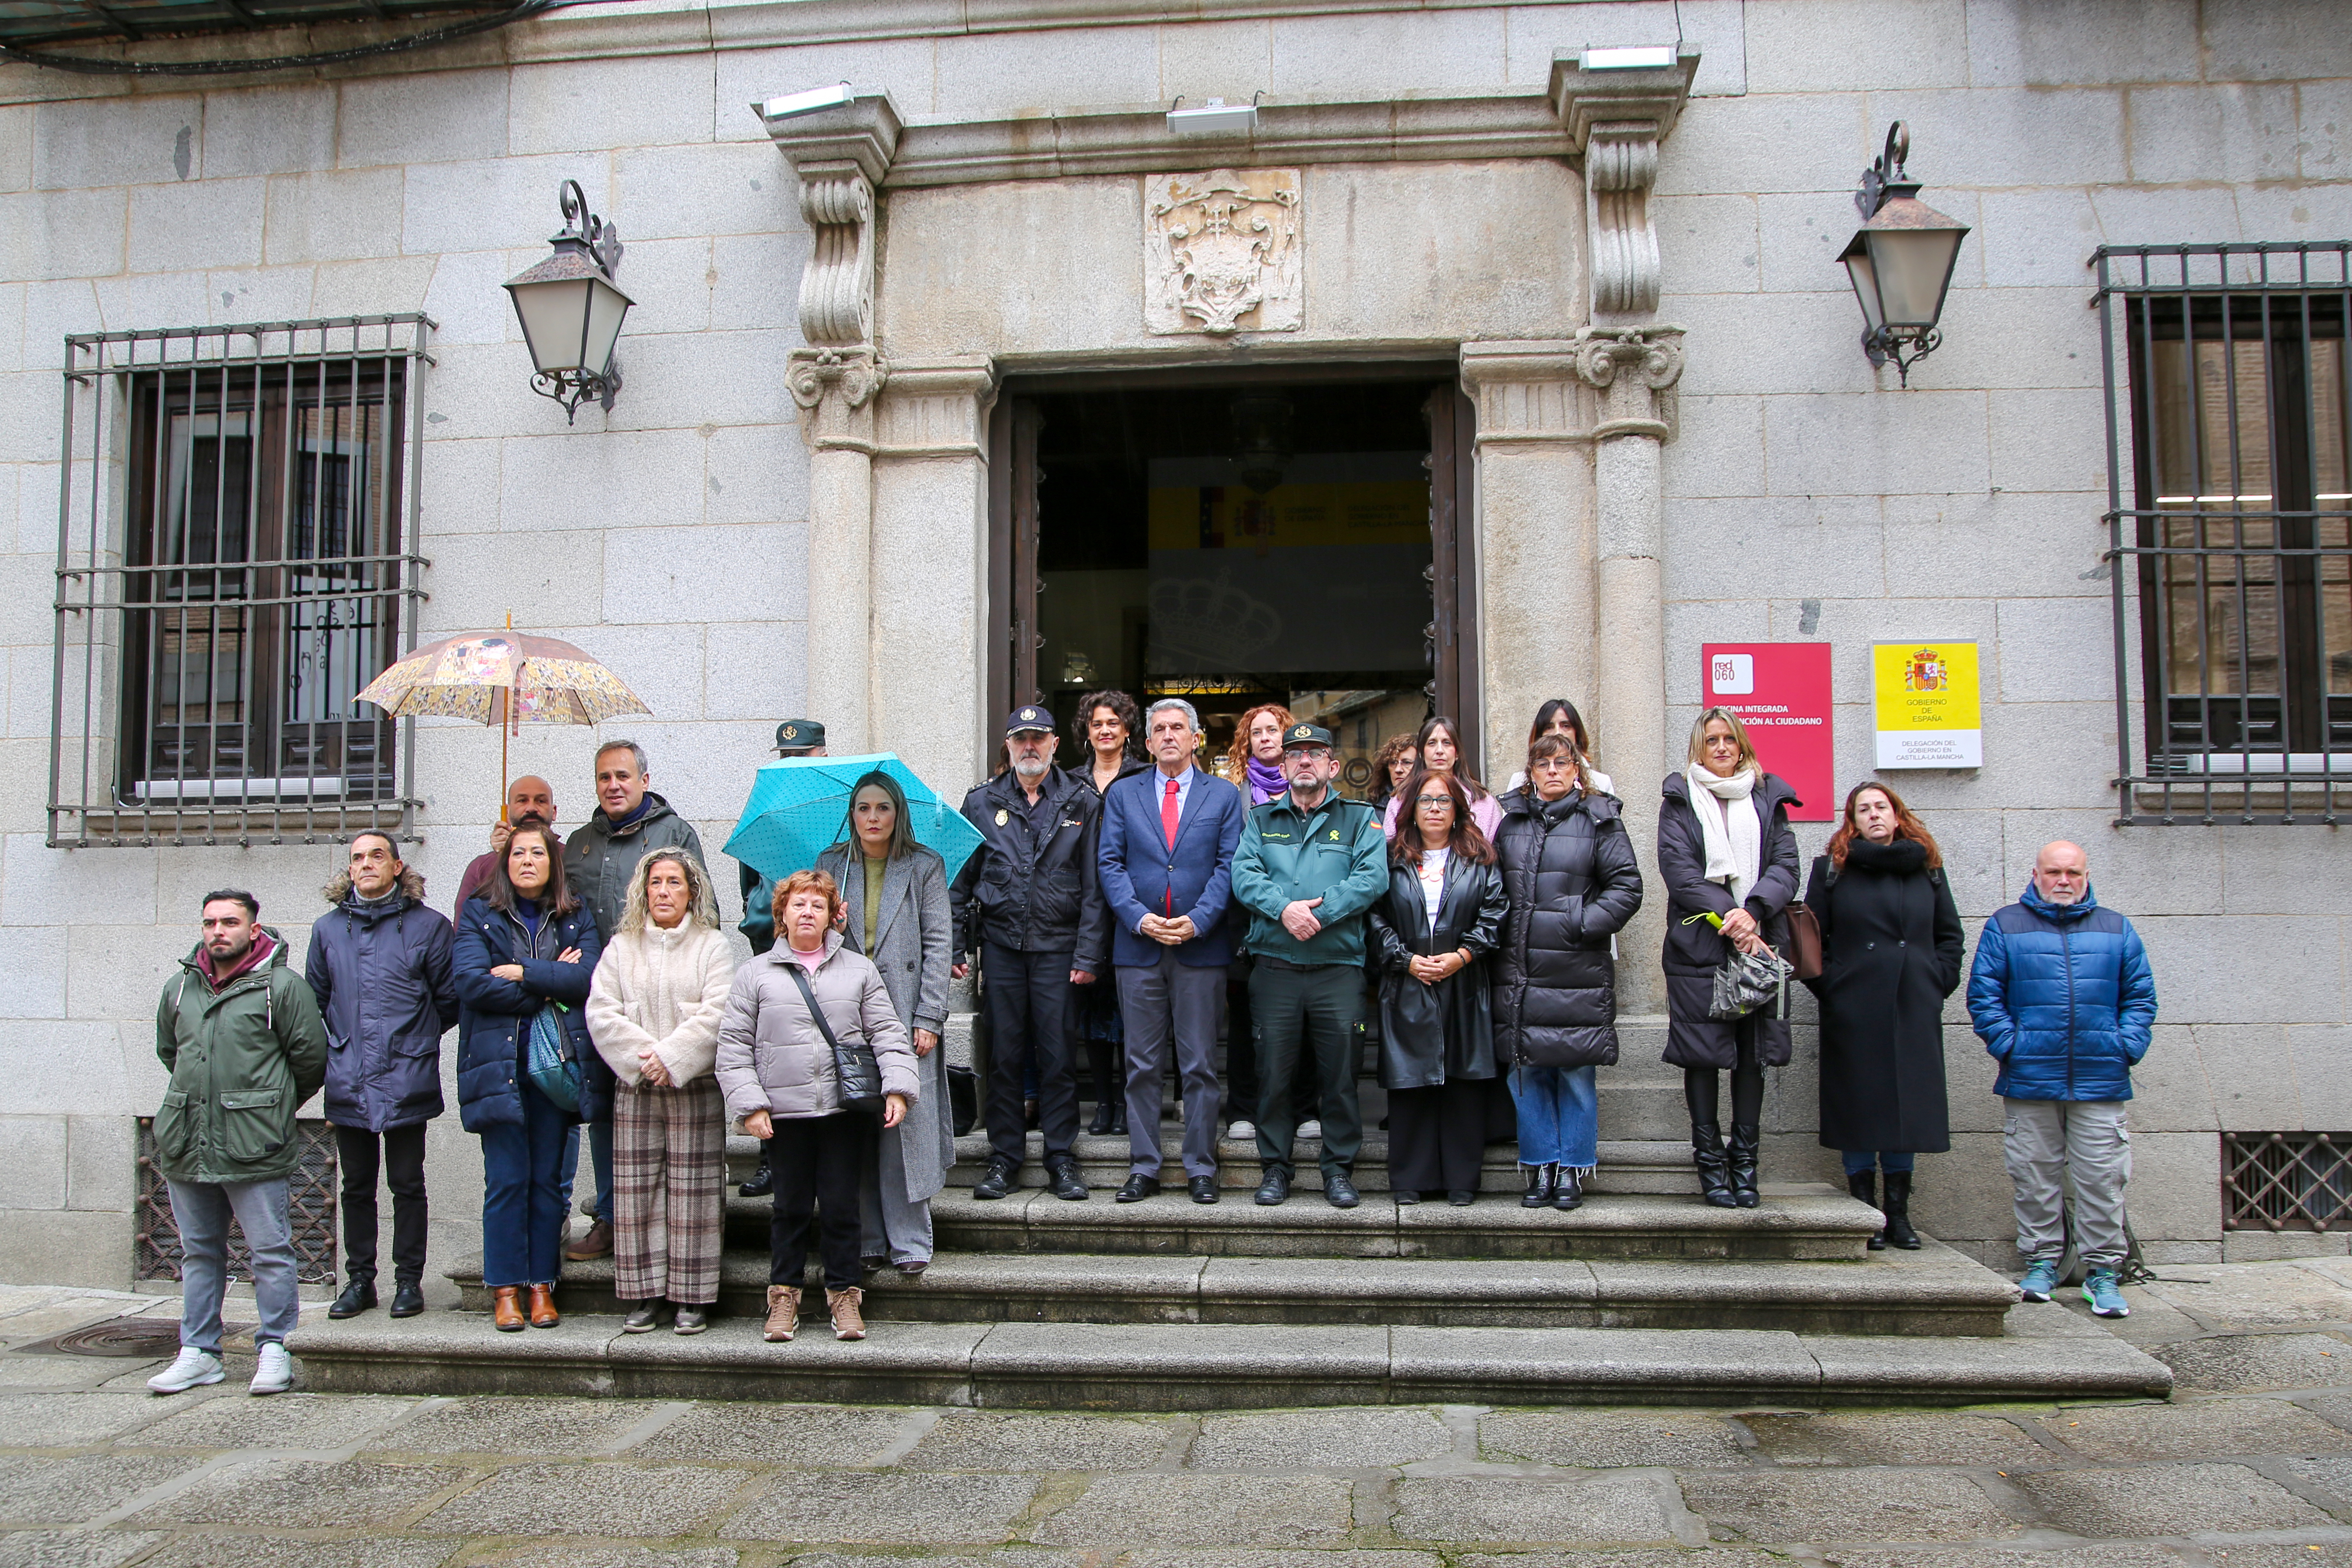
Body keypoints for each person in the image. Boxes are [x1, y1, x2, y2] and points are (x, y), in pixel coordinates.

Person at [715, 869, 918, 1344]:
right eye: (798, 904)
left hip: (842, 1112)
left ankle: (844, 1293)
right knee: (788, 1208)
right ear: (781, 914)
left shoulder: (859, 970)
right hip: (782, 1114)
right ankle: (783, 1295)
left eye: (817, 905)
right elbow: (733, 1045)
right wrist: (750, 1105)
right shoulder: (755, 973)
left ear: (831, 916)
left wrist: (898, 1088)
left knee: (842, 1206)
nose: (807, 912)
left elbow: (887, 1033)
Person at [146, 891, 328, 1398]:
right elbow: (170, 1051)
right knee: (199, 1252)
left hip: (254, 1143)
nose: (218, 931)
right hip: (188, 1140)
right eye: (210, 923)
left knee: (270, 1251)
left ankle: (276, 1346)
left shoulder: (282, 988)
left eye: (230, 922)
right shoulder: (180, 988)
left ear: (254, 929)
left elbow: (310, 1061)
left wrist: (265, 1108)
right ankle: (199, 1351)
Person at [1968, 840, 2157, 1319]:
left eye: (2072, 872)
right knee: (2033, 1177)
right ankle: (2040, 1263)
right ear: (2035, 875)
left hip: (2100, 1079)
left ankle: (2102, 1273)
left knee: (2102, 1179)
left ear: (2086, 875)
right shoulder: (2005, 925)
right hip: (2031, 1078)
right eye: (2053, 872)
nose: (2063, 880)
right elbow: (1984, 997)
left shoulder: (2115, 928)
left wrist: (2124, 1047)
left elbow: (2140, 998)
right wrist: (2012, 1047)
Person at [952, 707, 1109, 1203]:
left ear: (1054, 744)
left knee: (1058, 1056)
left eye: (1038, 738)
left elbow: (1095, 888)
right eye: (1020, 738)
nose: (1029, 747)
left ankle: (1061, 1156)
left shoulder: (1082, 800)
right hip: (1001, 948)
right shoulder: (981, 802)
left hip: (1059, 950)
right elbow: (959, 880)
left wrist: (1088, 954)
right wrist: (955, 943)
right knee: (1004, 1056)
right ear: (1008, 745)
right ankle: (1005, 1157)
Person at [1230, 721, 1389, 1209]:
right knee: (1273, 1076)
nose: (1304, 761)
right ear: (1283, 766)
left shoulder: (1359, 819)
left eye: (1314, 753)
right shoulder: (1260, 820)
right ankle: (1275, 1169)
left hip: (1337, 968)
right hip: (1275, 968)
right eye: (1295, 753)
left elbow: (1372, 877)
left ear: (1332, 766)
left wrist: (1320, 914)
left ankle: (1338, 1170)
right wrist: (1284, 909)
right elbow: (1243, 875)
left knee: (1339, 1078)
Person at [562, 739, 708, 1263]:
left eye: (622, 776)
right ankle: (610, 1217)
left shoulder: (674, 833)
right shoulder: (578, 843)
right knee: (603, 1107)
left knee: (668, 1112)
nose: (613, 785)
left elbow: (704, 914)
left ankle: (666, 1222)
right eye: (604, 777)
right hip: (598, 998)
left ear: (644, 780)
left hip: (661, 997)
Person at [454, 823, 604, 1331]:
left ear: (551, 861)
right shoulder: (480, 912)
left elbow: (587, 979)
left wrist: (521, 972)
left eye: (537, 852)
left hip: (555, 1068)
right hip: (499, 1067)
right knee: (506, 1181)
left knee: (546, 1183)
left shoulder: (575, 914)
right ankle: (504, 1289)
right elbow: (471, 984)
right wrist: (548, 979)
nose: (526, 860)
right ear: (505, 861)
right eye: (518, 852)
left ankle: (542, 1284)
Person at [1803, 781, 1964, 1251]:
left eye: (1881, 807)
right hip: (1854, 1005)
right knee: (1859, 1104)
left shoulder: (1927, 868)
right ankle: (1864, 1212)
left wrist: (1935, 980)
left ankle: (1899, 1215)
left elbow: (1949, 936)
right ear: (1852, 821)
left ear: (1896, 815)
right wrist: (1833, 987)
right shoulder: (1832, 870)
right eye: (1863, 809)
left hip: (1912, 1002)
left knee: (1905, 1106)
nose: (1874, 814)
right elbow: (1810, 940)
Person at [1097, 697, 1245, 1203]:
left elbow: (1229, 864)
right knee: (1140, 1065)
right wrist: (1139, 919)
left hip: (1199, 949)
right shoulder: (1123, 793)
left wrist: (1199, 920)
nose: (1167, 736)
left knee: (1199, 1064)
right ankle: (1144, 1166)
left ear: (1194, 737)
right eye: (1158, 728)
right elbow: (1109, 863)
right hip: (1138, 947)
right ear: (1146, 741)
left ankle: (1201, 1166)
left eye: (1177, 728)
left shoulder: (1223, 796)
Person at [307, 831, 458, 1322]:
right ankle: (359, 1281)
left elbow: (448, 999)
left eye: (377, 855)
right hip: (348, 1075)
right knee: (355, 1186)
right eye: (358, 857)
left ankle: (409, 1281)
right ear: (349, 869)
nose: (367, 863)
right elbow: (316, 1000)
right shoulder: (328, 929)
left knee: (407, 1182)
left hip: (406, 1074)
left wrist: (413, 1040)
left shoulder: (429, 926)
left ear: (397, 866)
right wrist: (340, 1047)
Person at [1491, 735, 1645, 1210]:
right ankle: (1540, 1166)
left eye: (1562, 763)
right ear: (1531, 772)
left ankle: (1573, 1169)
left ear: (1576, 770)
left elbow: (1626, 886)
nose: (1553, 771)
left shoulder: (1599, 818)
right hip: (1519, 970)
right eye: (1543, 764)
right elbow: (1492, 885)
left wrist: (1579, 922)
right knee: (1526, 1070)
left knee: (1576, 1072)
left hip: (1576, 968)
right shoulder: (1510, 821)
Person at [1656, 707, 1802, 1209]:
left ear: (1741, 746)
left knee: (1750, 1056)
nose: (1720, 747)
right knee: (1701, 1056)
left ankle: (1744, 1164)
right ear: (1698, 748)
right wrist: (1730, 915)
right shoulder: (1680, 799)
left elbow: (1786, 865)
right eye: (1711, 740)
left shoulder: (1766, 796)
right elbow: (1678, 871)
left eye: (1728, 739)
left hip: (1758, 943)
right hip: (1700, 947)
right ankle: (1710, 1163)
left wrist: (1753, 911)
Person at [586, 850, 735, 1333]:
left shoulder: (713, 946)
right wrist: (646, 1060)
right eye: (656, 883)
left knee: (695, 1191)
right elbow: (601, 1012)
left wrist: (671, 1058)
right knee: (638, 1192)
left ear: (692, 891)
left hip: (694, 1085)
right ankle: (645, 1294)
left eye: (674, 882)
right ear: (643, 891)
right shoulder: (620, 947)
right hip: (636, 1086)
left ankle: (692, 1296)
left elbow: (718, 1013)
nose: (664, 891)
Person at [816, 770, 953, 1272]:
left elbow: (939, 943)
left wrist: (929, 1016)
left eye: (882, 807)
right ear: (851, 814)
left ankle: (911, 1241)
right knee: (856, 1123)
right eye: (863, 808)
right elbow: (806, 936)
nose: (872, 817)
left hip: (905, 1009)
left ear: (898, 813)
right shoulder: (832, 865)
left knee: (904, 1127)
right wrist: (830, 925)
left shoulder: (923, 865)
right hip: (846, 1013)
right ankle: (868, 1239)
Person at [1367, 772, 1507, 1206]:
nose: (1434, 809)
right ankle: (1411, 1179)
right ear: (1410, 809)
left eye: (1443, 801)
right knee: (1411, 1084)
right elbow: (1372, 916)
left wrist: (1463, 956)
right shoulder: (1389, 858)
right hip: (1406, 983)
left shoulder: (1479, 859)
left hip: (1464, 984)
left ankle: (1461, 1180)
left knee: (1462, 1083)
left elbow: (1496, 912)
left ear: (1458, 811)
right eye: (1425, 800)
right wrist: (1404, 959)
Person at [738, 719, 827, 1201]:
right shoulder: (764, 802)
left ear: (821, 754)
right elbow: (747, 873)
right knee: (769, 1050)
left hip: (826, 943)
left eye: (801, 755)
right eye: (785, 756)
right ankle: (769, 1158)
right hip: (772, 939)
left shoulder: (837, 802)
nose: (791, 764)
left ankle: (822, 1159)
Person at [1221, 701, 1307, 1144]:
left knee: (1301, 1018)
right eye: (1256, 733)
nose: (1265, 738)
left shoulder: (1310, 787)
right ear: (1246, 743)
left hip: (1302, 922)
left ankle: (1302, 1109)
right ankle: (1242, 1109)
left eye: (1273, 730)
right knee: (1243, 1021)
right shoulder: (1231, 795)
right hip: (1245, 925)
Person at [1072, 690, 1147, 1135]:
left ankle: (1127, 1102)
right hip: (1083, 910)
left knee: (1132, 1015)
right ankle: (1102, 1103)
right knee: (1093, 1013)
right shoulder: (1069, 782)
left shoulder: (1144, 777)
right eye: (1097, 723)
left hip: (1132, 906)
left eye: (1113, 723)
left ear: (1127, 730)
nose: (1105, 731)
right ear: (1087, 730)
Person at [453, 775, 562, 916]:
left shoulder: (571, 857)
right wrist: (502, 859)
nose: (531, 808)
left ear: (554, 812)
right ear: (508, 813)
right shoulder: (481, 866)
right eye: (522, 801)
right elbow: (465, 921)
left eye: (541, 801)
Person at [1380, 715, 1502, 840]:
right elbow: (1390, 846)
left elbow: (1491, 848)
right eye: (1432, 743)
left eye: (1447, 743)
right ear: (1421, 753)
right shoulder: (1401, 799)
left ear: (1457, 753)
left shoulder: (1482, 800)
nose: (1439, 750)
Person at [1505, 699, 1617, 796]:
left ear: (1577, 733)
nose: (1558, 732)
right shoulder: (1518, 782)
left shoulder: (1601, 782)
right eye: (1549, 727)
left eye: (1566, 726)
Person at [1366, 733, 1418, 818]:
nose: (1398, 769)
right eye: (1393, 763)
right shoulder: (1374, 808)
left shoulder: (1430, 804)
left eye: (1407, 763)